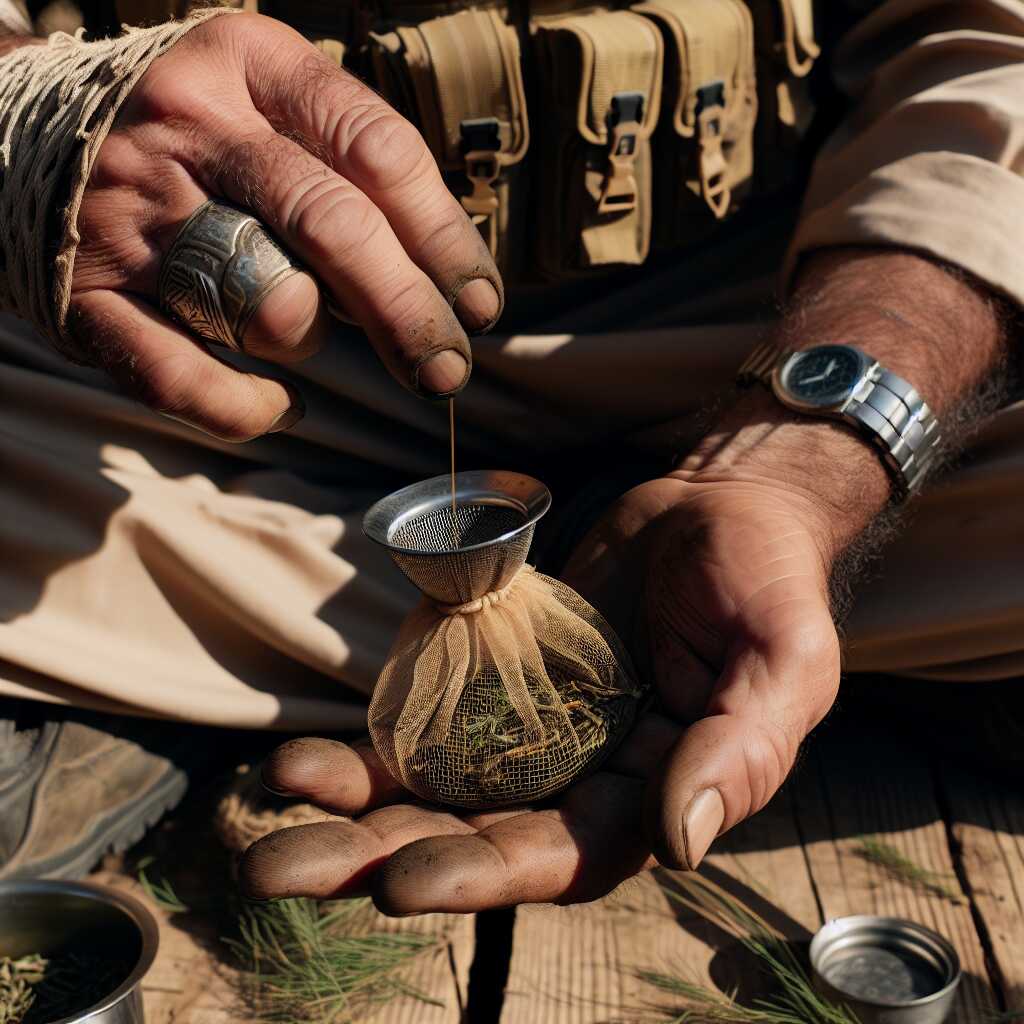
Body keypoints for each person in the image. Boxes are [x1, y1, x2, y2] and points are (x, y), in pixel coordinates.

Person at [0, 0, 1021, 911]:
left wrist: (802, 463)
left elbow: (985, 59)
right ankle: (760, 634)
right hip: (264, 354)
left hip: (762, 337)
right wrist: (41, 117)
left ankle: (187, 663)